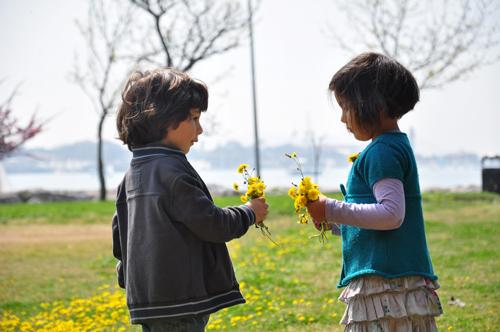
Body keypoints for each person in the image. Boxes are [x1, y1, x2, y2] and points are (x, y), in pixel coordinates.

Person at [112, 68, 269, 332]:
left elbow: (120, 241)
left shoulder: (131, 175)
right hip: (180, 300)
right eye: (194, 119)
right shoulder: (172, 171)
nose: (200, 129)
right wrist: (249, 213)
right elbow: (211, 223)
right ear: (164, 120)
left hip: (150, 301)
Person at [307, 52, 442, 331]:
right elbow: (378, 220)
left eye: (346, 107)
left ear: (372, 104)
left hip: (387, 283)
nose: (343, 118)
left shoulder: (382, 151)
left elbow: (391, 215)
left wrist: (332, 207)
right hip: (392, 279)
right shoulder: (392, 146)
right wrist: (333, 223)